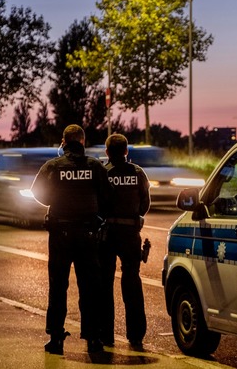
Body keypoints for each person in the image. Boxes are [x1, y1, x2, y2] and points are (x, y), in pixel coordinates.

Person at [31, 124, 113, 355]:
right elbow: (107, 197)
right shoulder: (95, 167)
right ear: (82, 142)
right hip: (88, 236)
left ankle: (56, 338)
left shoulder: (53, 166)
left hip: (60, 235)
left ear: (63, 142)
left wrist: (54, 200)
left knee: (58, 287)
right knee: (90, 288)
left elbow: (37, 193)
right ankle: (94, 339)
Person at [99, 134, 151, 350]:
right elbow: (145, 203)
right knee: (132, 282)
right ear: (127, 151)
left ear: (107, 152)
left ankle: (105, 335)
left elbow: (97, 202)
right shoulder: (138, 173)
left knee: (104, 284)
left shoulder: (103, 173)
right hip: (130, 234)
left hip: (107, 234)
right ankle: (136, 335)